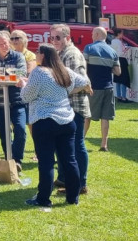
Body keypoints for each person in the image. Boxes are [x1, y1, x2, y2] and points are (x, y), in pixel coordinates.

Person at [18, 43, 90, 210]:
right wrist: (69, 90)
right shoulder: (64, 71)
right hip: (67, 120)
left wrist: (23, 85)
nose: (35, 54)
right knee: (69, 160)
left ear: (43, 55)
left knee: (46, 162)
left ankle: (43, 198)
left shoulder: (39, 72)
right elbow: (84, 80)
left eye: (37, 52)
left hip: (45, 121)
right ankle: (73, 197)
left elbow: (26, 96)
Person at [51, 23, 90, 196]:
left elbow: (83, 83)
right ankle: (64, 177)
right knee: (63, 145)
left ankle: (80, 183)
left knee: (76, 145)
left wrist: (60, 91)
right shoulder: (61, 53)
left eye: (57, 37)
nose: (54, 41)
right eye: (52, 38)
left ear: (68, 37)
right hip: (65, 107)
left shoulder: (72, 54)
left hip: (74, 106)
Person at [0, 31, 27, 170]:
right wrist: (8, 77)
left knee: (20, 130)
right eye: (1, 44)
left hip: (16, 101)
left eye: (6, 43)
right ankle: (9, 160)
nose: (4, 46)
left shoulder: (18, 57)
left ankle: (17, 159)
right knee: (4, 133)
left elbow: (20, 76)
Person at [83, 26, 121, 152]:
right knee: (106, 117)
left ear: (98, 34)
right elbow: (118, 72)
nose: (92, 36)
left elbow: (83, 67)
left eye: (93, 33)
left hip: (93, 87)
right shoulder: (112, 52)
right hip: (108, 88)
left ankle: (81, 140)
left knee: (87, 115)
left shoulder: (89, 48)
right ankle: (104, 144)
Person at [109, 29, 130, 102]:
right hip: (122, 60)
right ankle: (124, 97)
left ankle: (119, 96)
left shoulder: (113, 41)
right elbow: (121, 52)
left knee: (118, 79)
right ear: (119, 34)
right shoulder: (119, 42)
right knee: (123, 79)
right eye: (122, 33)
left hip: (116, 60)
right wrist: (126, 50)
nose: (122, 35)